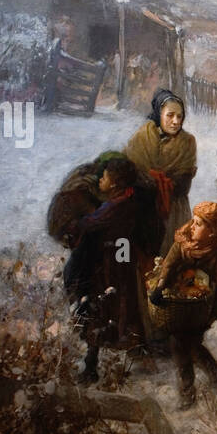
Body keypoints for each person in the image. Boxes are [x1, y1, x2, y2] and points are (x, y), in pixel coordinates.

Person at [62, 155, 148, 384]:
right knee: (121, 308)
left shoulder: (115, 206)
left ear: (116, 183)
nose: (100, 179)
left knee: (103, 310)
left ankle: (94, 365)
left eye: (105, 176)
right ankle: (131, 353)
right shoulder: (127, 201)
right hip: (122, 264)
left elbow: (89, 223)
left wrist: (73, 225)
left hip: (110, 267)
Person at [149, 200, 217, 409]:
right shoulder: (182, 243)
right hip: (177, 306)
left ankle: (213, 382)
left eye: (199, 224)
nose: (192, 226)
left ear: (212, 231)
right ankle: (194, 391)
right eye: (193, 221)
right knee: (182, 347)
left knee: (192, 346)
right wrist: (160, 287)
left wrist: (214, 314)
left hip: (200, 310)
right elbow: (168, 265)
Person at [125, 88, 197, 255]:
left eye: (179, 116)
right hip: (143, 204)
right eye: (170, 115)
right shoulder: (142, 137)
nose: (175, 121)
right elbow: (130, 170)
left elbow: (183, 183)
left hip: (174, 208)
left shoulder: (187, 142)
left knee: (171, 255)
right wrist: (147, 183)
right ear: (159, 114)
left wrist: (160, 183)